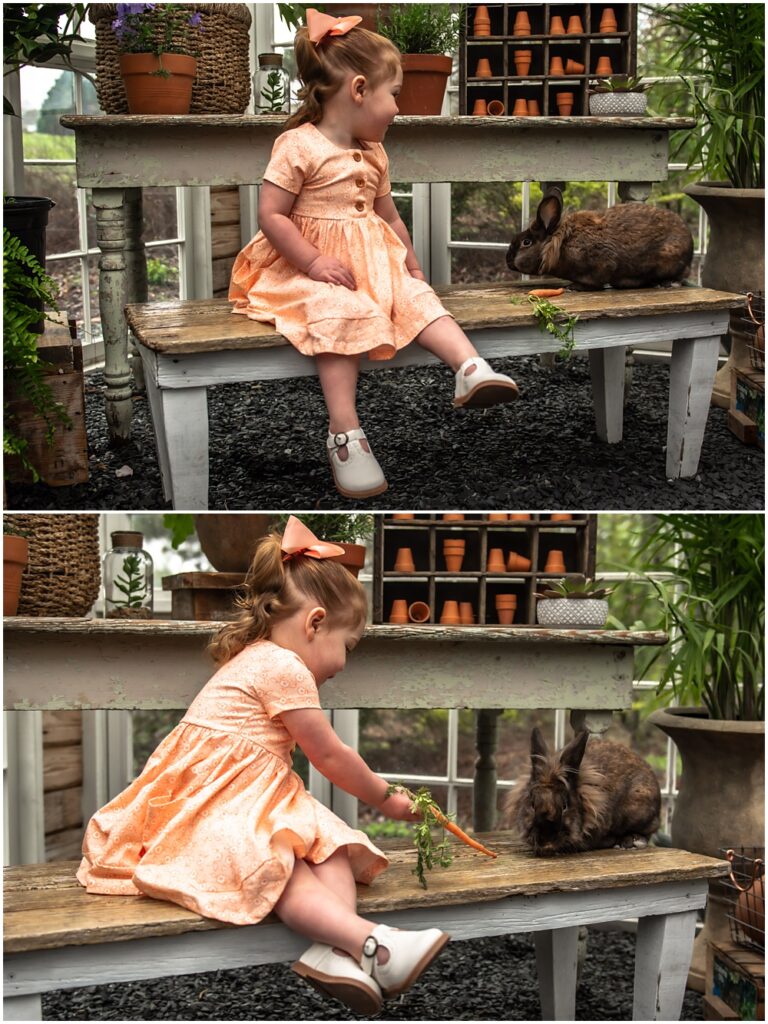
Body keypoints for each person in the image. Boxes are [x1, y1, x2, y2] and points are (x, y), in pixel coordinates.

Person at [77, 517, 449, 1015]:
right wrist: (386, 798)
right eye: (348, 645)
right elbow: (329, 755)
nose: (343, 662)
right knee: (281, 864)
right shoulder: (283, 666)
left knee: (330, 849)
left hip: (245, 793)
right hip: (213, 802)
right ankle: (374, 944)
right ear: (315, 623)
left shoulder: (260, 657)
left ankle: (337, 951)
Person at [229, 8, 518, 499]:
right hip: (307, 271)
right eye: (395, 95)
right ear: (359, 90)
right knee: (338, 311)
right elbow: (272, 215)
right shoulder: (298, 145)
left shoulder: (374, 152)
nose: (398, 109)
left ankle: (470, 369)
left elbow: (389, 217)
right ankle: (347, 436)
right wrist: (314, 262)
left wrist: (411, 264)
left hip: (374, 266)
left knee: (417, 299)